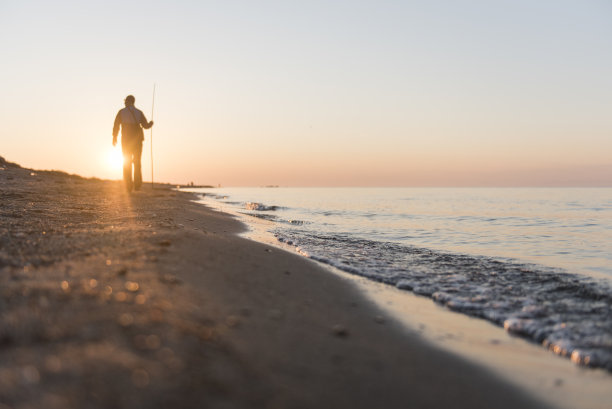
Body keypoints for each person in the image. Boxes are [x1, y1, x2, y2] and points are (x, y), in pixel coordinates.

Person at [112, 95, 154, 192]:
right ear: (134, 102)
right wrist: (151, 124)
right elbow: (146, 126)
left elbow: (116, 125)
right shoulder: (139, 112)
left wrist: (114, 137)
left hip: (126, 140)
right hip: (137, 141)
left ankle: (128, 186)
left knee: (126, 162)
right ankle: (137, 185)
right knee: (137, 162)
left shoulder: (121, 112)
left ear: (127, 101)